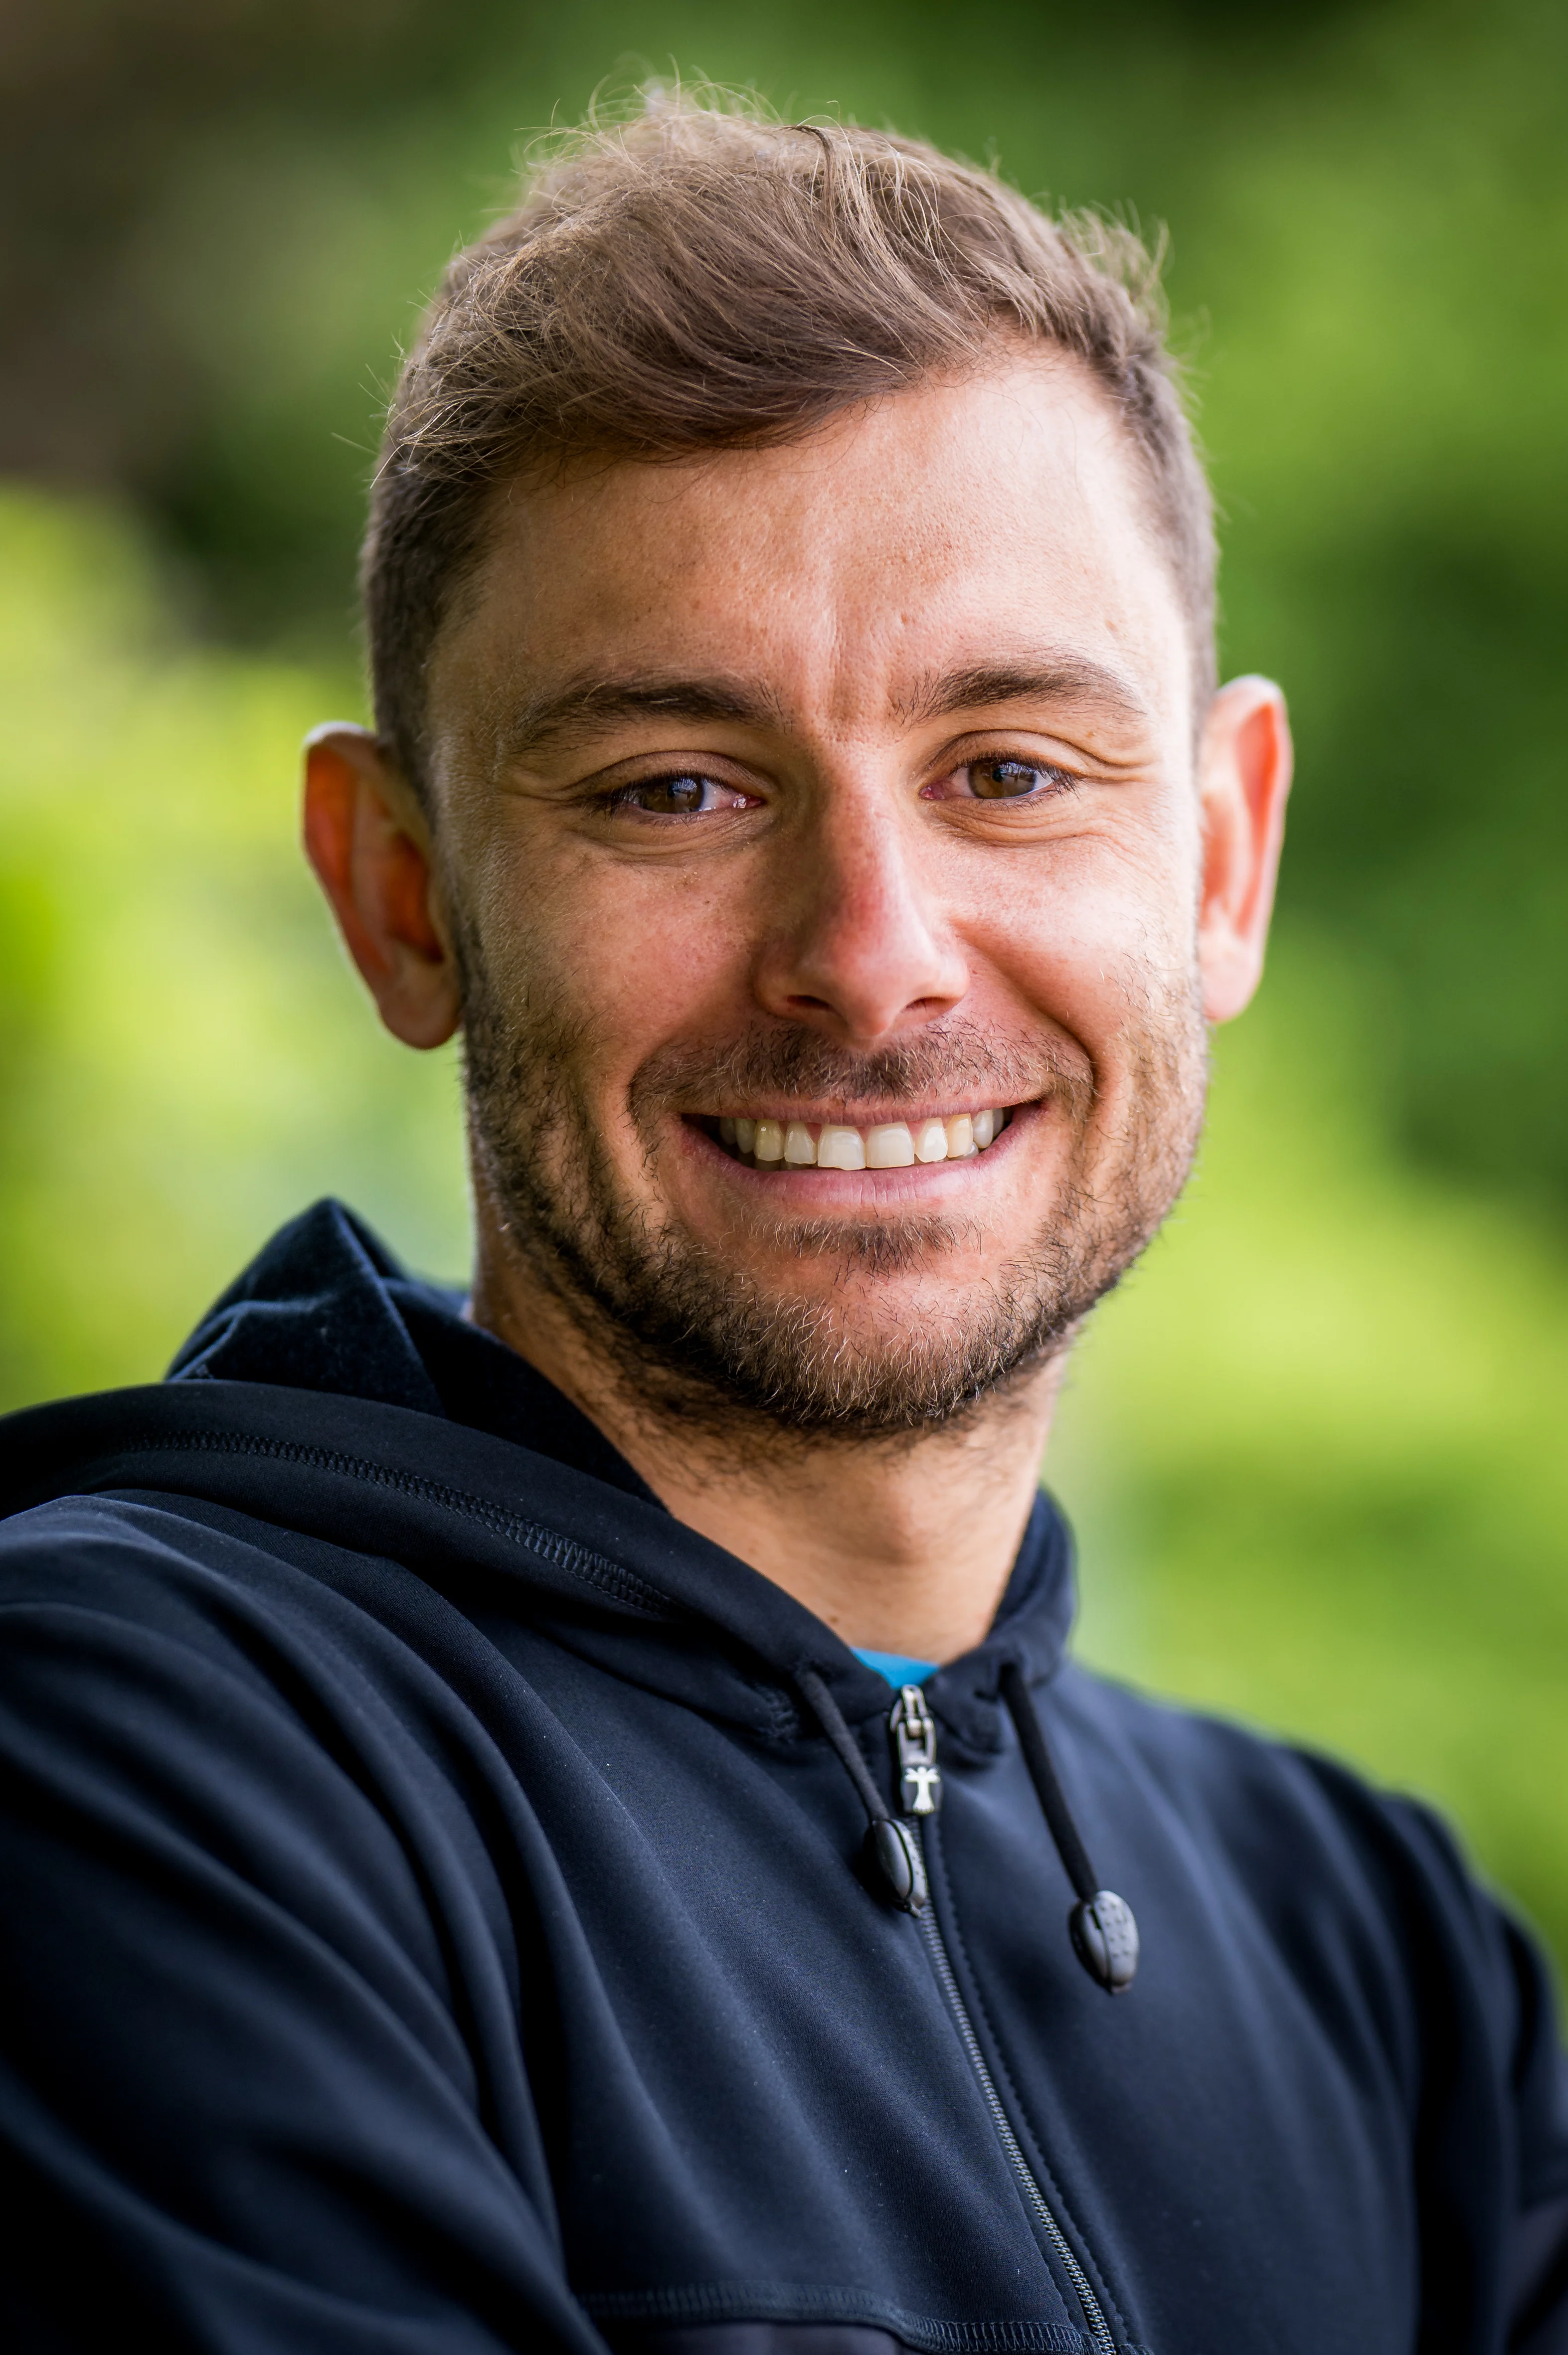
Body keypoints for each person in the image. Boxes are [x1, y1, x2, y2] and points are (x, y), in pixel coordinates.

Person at [0, 92, 1564, 2355]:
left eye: (1010, 769)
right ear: (403, 893)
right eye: (678, 790)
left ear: (1222, 855)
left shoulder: (1387, 1962)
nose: (873, 950)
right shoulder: (130, 1762)